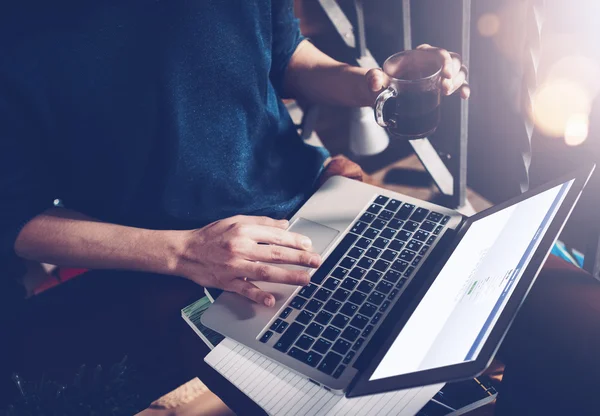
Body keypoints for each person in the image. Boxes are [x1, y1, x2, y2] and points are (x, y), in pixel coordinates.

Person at [0, 1, 597, 415]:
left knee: (573, 314)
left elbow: (282, 53)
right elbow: (17, 219)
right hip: (182, 265)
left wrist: (369, 84)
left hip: (320, 201)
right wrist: (185, 252)